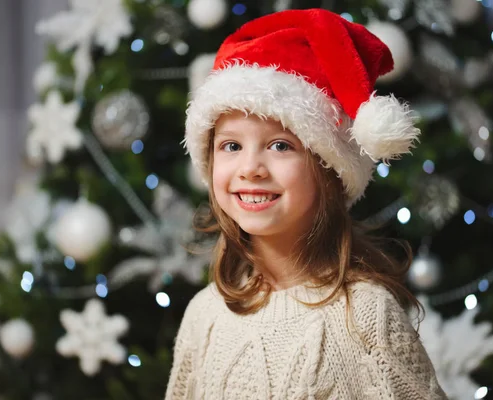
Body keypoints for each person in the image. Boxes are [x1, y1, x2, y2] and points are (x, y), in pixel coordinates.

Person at [166, 8, 447, 400]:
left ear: (328, 169)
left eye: (280, 145)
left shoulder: (366, 314)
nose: (250, 168)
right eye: (231, 145)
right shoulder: (204, 315)